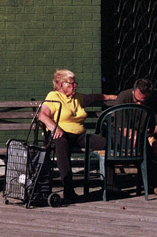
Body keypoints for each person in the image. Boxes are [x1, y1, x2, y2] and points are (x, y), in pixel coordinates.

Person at [38, 69, 117, 203]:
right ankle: (68, 190)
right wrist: (55, 127)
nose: (75, 86)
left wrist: (112, 97)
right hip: (59, 135)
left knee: (107, 143)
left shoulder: (77, 97)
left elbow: (95, 97)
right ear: (61, 84)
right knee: (61, 144)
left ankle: (110, 187)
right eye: (72, 83)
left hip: (78, 136)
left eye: (75, 83)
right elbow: (42, 115)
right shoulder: (53, 96)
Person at [113, 79, 157, 196]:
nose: (139, 104)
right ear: (133, 91)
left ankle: (156, 184)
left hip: (148, 133)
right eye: (136, 100)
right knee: (138, 145)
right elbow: (122, 128)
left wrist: (148, 136)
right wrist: (144, 137)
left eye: (143, 102)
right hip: (129, 136)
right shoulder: (123, 97)